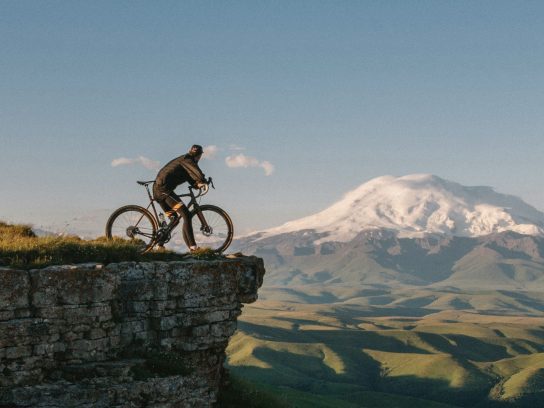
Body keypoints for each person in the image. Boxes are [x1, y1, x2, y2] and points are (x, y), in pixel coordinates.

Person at [153, 144, 208, 252]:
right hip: (164, 191)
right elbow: (197, 172)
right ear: (199, 155)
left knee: (174, 219)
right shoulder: (187, 159)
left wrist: (198, 185)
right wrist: (203, 180)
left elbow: (191, 178)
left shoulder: (184, 163)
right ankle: (193, 247)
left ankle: (159, 245)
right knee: (186, 214)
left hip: (159, 190)